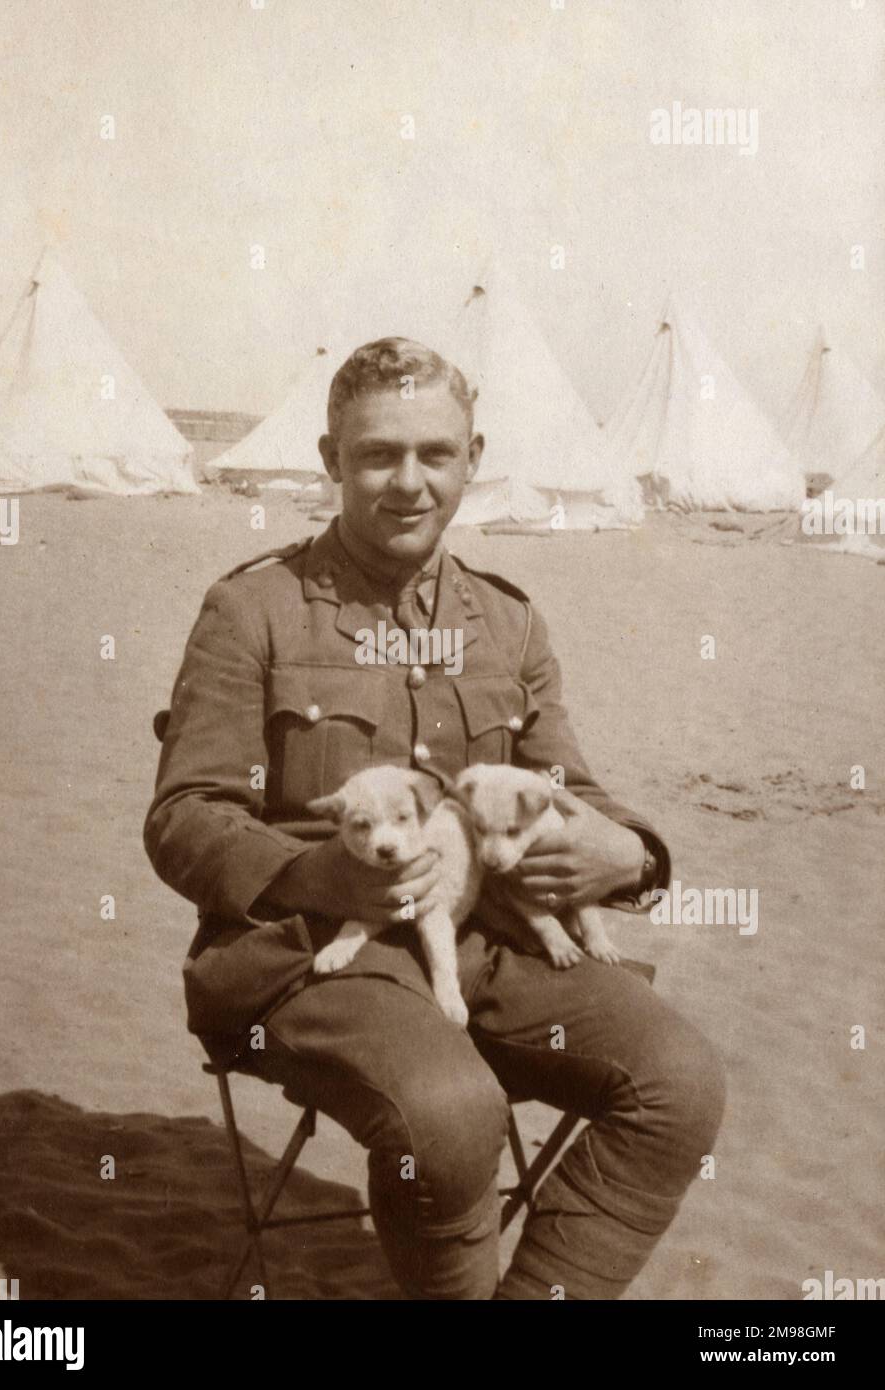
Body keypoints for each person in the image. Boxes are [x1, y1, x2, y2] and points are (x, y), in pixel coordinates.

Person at [144, 337, 725, 1300]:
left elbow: (571, 784)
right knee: (450, 1113)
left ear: (474, 457)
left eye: (436, 454)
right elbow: (184, 818)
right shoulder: (254, 611)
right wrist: (315, 874)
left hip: (482, 941)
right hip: (306, 955)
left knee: (678, 1081)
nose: (408, 483)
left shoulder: (510, 622)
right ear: (331, 460)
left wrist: (630, 853)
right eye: (377, 455)